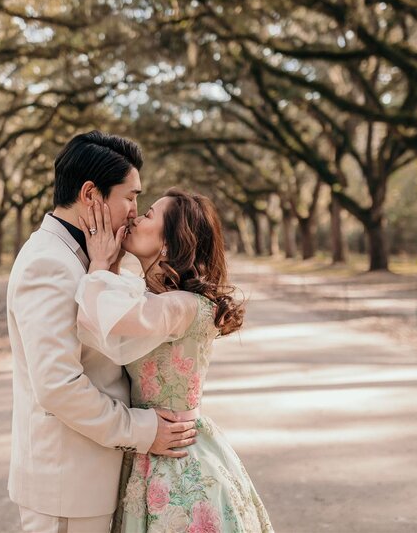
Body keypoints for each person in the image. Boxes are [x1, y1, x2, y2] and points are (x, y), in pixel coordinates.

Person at [6, 132, 199, 533]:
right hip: (67, 486)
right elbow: (58, 385)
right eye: (130, 197)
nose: (135, 211)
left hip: (95, 479)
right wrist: (144, 431)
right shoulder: (49, 264)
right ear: (91, 194)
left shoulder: (94, 258)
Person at [75, 189, 275, 532]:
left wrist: (98, 264)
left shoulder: (180, 305)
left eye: (149, 215)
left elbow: (101, 320)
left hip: (177, 461)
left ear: (170, 242)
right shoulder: (157, 298)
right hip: (149, 449)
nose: (136, 218)